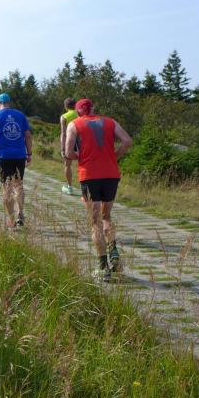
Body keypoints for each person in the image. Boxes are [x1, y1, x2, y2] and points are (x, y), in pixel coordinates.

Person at [65, 98, 133, 281]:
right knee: (106, 216)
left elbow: (68, 152)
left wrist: (81, 156)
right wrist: (114, 156)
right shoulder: (110, 122)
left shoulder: (74, 124)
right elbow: (127, 141)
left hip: (89, 176)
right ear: (93, 108)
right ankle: (114, 252)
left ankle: (103, 267)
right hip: (111, 174)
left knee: (95, 221)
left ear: (78, 111)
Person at [0, 93, 33, 228]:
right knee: (18, 185)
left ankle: (11, 220)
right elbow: (28, 136)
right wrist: (29, 154)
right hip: (20, 156)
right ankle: (20, 214)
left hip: (4, 157)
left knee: (7, 187)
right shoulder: (20, 116)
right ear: (9, 103)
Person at [59, 97, 78, 195]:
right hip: (81, 142)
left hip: (69, 142)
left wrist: (62, 148)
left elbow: (63, 133)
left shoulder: (64, 117)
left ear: (65, 106)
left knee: (68, 165)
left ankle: (69, 187)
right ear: (75, 105)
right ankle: (87, 188)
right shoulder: (80, 114)